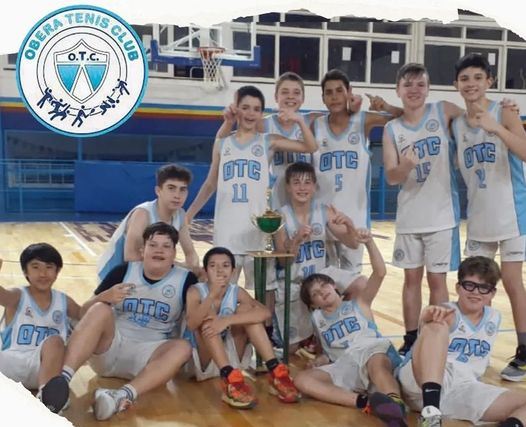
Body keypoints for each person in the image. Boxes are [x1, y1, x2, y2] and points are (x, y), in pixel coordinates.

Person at [57, 222, 196, 420]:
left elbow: (195, 321)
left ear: (174, 253)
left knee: (184, 347)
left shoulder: (186, 280)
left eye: (166, 246)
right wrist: (104, 296)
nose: (159, 250)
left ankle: (121, 396)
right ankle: (60, 383)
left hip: (150, 356)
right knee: (99, 309)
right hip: (111, 347)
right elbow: (83, 313)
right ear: (142, 250)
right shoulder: (122, 272)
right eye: (153, 245)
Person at [185, 85, 317, 287]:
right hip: (226, 233)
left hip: (257, 233)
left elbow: (310, 147)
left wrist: (299, 119)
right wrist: (189, 215)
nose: (250, 113)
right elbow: (210, 183)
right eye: (245, 107)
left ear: (262, 114)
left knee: (265, 292)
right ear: (236, 108)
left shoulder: (268, 141)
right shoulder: (222, 143)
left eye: (256, 109)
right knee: (221, 292)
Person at [451, 53, 526, 382]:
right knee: (475, 284)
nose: (471, 84)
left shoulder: (504, 111)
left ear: (489, 81)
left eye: (478, 77)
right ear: (456, 84)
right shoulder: (456, 124)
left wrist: (496, 128)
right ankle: (473, 346)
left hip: (513, 211)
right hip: (479, 216)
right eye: (465, 78)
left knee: (511, 281)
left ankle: (524, 350)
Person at [382, 63, 465, 355]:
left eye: (420, 84)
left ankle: (436, 336)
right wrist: (405, 165)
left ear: (429, 89)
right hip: (409, 216)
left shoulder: (443, 110)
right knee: (411, 281)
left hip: (442, 215)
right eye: (408, 84)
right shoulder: (391, 129)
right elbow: (392, 177)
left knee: (437, 280)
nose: (414, 90)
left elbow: (473, 117)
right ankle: (411, 337)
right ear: (398, 90)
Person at [397, 256, 526, 427]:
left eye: (484, 288)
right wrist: (427, 315)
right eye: (469, 285)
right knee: (438, 326)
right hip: (419, 383)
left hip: (461, 388)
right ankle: (431, 414)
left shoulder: (494, 317)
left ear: (492, 293)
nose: (475, 292)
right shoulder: (447, 312)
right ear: (458, 287)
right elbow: (431, 320)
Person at [294, 234, 407, 427]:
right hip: (346, 364)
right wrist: (321, 359)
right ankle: (366, 403)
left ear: (334, 285)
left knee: (376, 363)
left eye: (324, 285)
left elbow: (380, 273)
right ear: (313, 304)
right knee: (302, 380)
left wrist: (369, 243)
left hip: (371, 350)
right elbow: (327, 352)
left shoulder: (359, 302)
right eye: (315, 293)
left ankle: (395, 405)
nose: (322, 291)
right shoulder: (318, 319)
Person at [313, 69, 403, 282]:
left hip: (355, 220)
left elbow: (405, 117)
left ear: (349, 92)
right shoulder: (315, 124)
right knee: (320, 283)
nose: (334, 96)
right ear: (323, 98)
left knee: (352, 283)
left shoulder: (363, 121)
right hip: (322, 217)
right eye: (329, 92)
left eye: (339, 91)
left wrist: (385, 106)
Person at [185, 246, 299, 409]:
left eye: (225, 265)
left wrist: (227, 320)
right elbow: (191, 324)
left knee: (246, 310)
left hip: (232, 358)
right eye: (213, 266)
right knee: (208, 318)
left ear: (233, 271)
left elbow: (265, 313)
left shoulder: (236, 291)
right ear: (205, 271)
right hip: (205, 359)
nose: (219, 270)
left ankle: (275, 371)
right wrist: (211, 296)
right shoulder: (195, 291)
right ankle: (228, 378)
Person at [271, 161, 366, 348]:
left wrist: (349, 225)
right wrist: (296, 240)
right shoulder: (279, 217)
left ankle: (339, 317)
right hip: (295, 281)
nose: (302, 188)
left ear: (314, 187)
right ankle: (311, 333)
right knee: (292, 348)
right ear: (288, 187)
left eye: (307, 182)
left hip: (322, 277)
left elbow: (353, 243)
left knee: (361, 284)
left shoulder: (325, 211)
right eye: (296, 183)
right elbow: (283, 261)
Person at [0, 244, 80, 413]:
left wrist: (102, 298)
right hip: (9, 365)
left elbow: (86, 317)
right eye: (35, 267)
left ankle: (47, 396)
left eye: (49, 267)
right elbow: (3, 296)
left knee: (55, 342)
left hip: (44, 370)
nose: (43, 273)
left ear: (57, 271)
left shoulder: (64, 301)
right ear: (25, 272)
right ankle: (49, 396)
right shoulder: (18, 295)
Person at [97, 163, 199, 281]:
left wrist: (193, 269)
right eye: (171, 188)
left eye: (182, 189)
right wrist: (178, 267)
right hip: (113, 276)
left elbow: (191, 253)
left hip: (146, 275)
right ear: (158, 191)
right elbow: (131, 257)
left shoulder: (180, 215)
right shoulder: (143, 214)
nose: (177, 195)